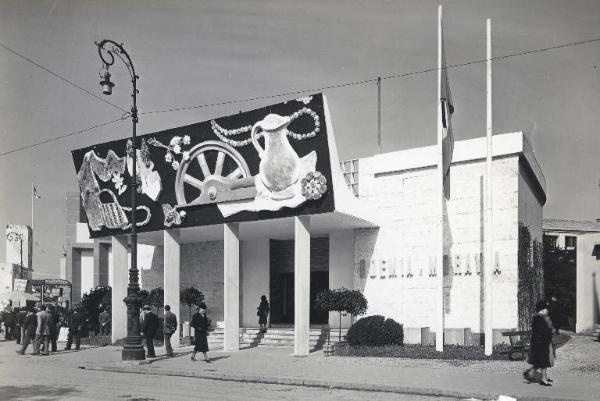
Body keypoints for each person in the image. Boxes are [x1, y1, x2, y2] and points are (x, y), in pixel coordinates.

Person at [523, 300, 555, 386]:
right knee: (543, 361)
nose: (547, 311)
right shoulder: (538, 319)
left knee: (540, 361)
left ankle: (530, 373)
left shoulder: (542, 318)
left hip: (543, 343)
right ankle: (543, 379)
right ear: (542, 309)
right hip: (540, 344)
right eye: (546, 309)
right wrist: (550, 331)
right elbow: (543, 331)